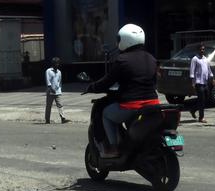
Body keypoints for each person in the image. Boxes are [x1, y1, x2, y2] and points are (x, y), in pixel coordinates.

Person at [84, 23, 158, 158]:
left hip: (132, 106)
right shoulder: (151, 58)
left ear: (125, 40)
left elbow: (107, 81)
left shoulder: (122, 60)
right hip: (152, 104)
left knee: (106, 114)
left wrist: (93, 87)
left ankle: (113, 148)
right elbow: (152, 81)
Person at [188, 43, 215, 123]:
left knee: (206, 98)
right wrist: (193, 82)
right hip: (198, 82)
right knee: (201, 100)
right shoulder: (195, 59)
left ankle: (193, 109)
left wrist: (212, 78)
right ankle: (201, 117)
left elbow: (208, 69)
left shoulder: (205, 59)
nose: (202, 51)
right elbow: (192, 71)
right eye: (200, 49)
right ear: (198, 50)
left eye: (203, 49)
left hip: (205, 82)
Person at [44, 57, 68, 124]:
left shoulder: (59, 72)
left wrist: (60, 89)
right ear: (53, 64)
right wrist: (51, 89)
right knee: (48, 106)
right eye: (56, 63)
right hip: (50, 92)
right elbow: (48, 81)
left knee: (60, 105)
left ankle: (63, 118)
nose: (57, 64)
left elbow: (59, 82)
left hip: (57, 92)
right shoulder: (48, 71)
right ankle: (47, 120)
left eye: (58, 63)